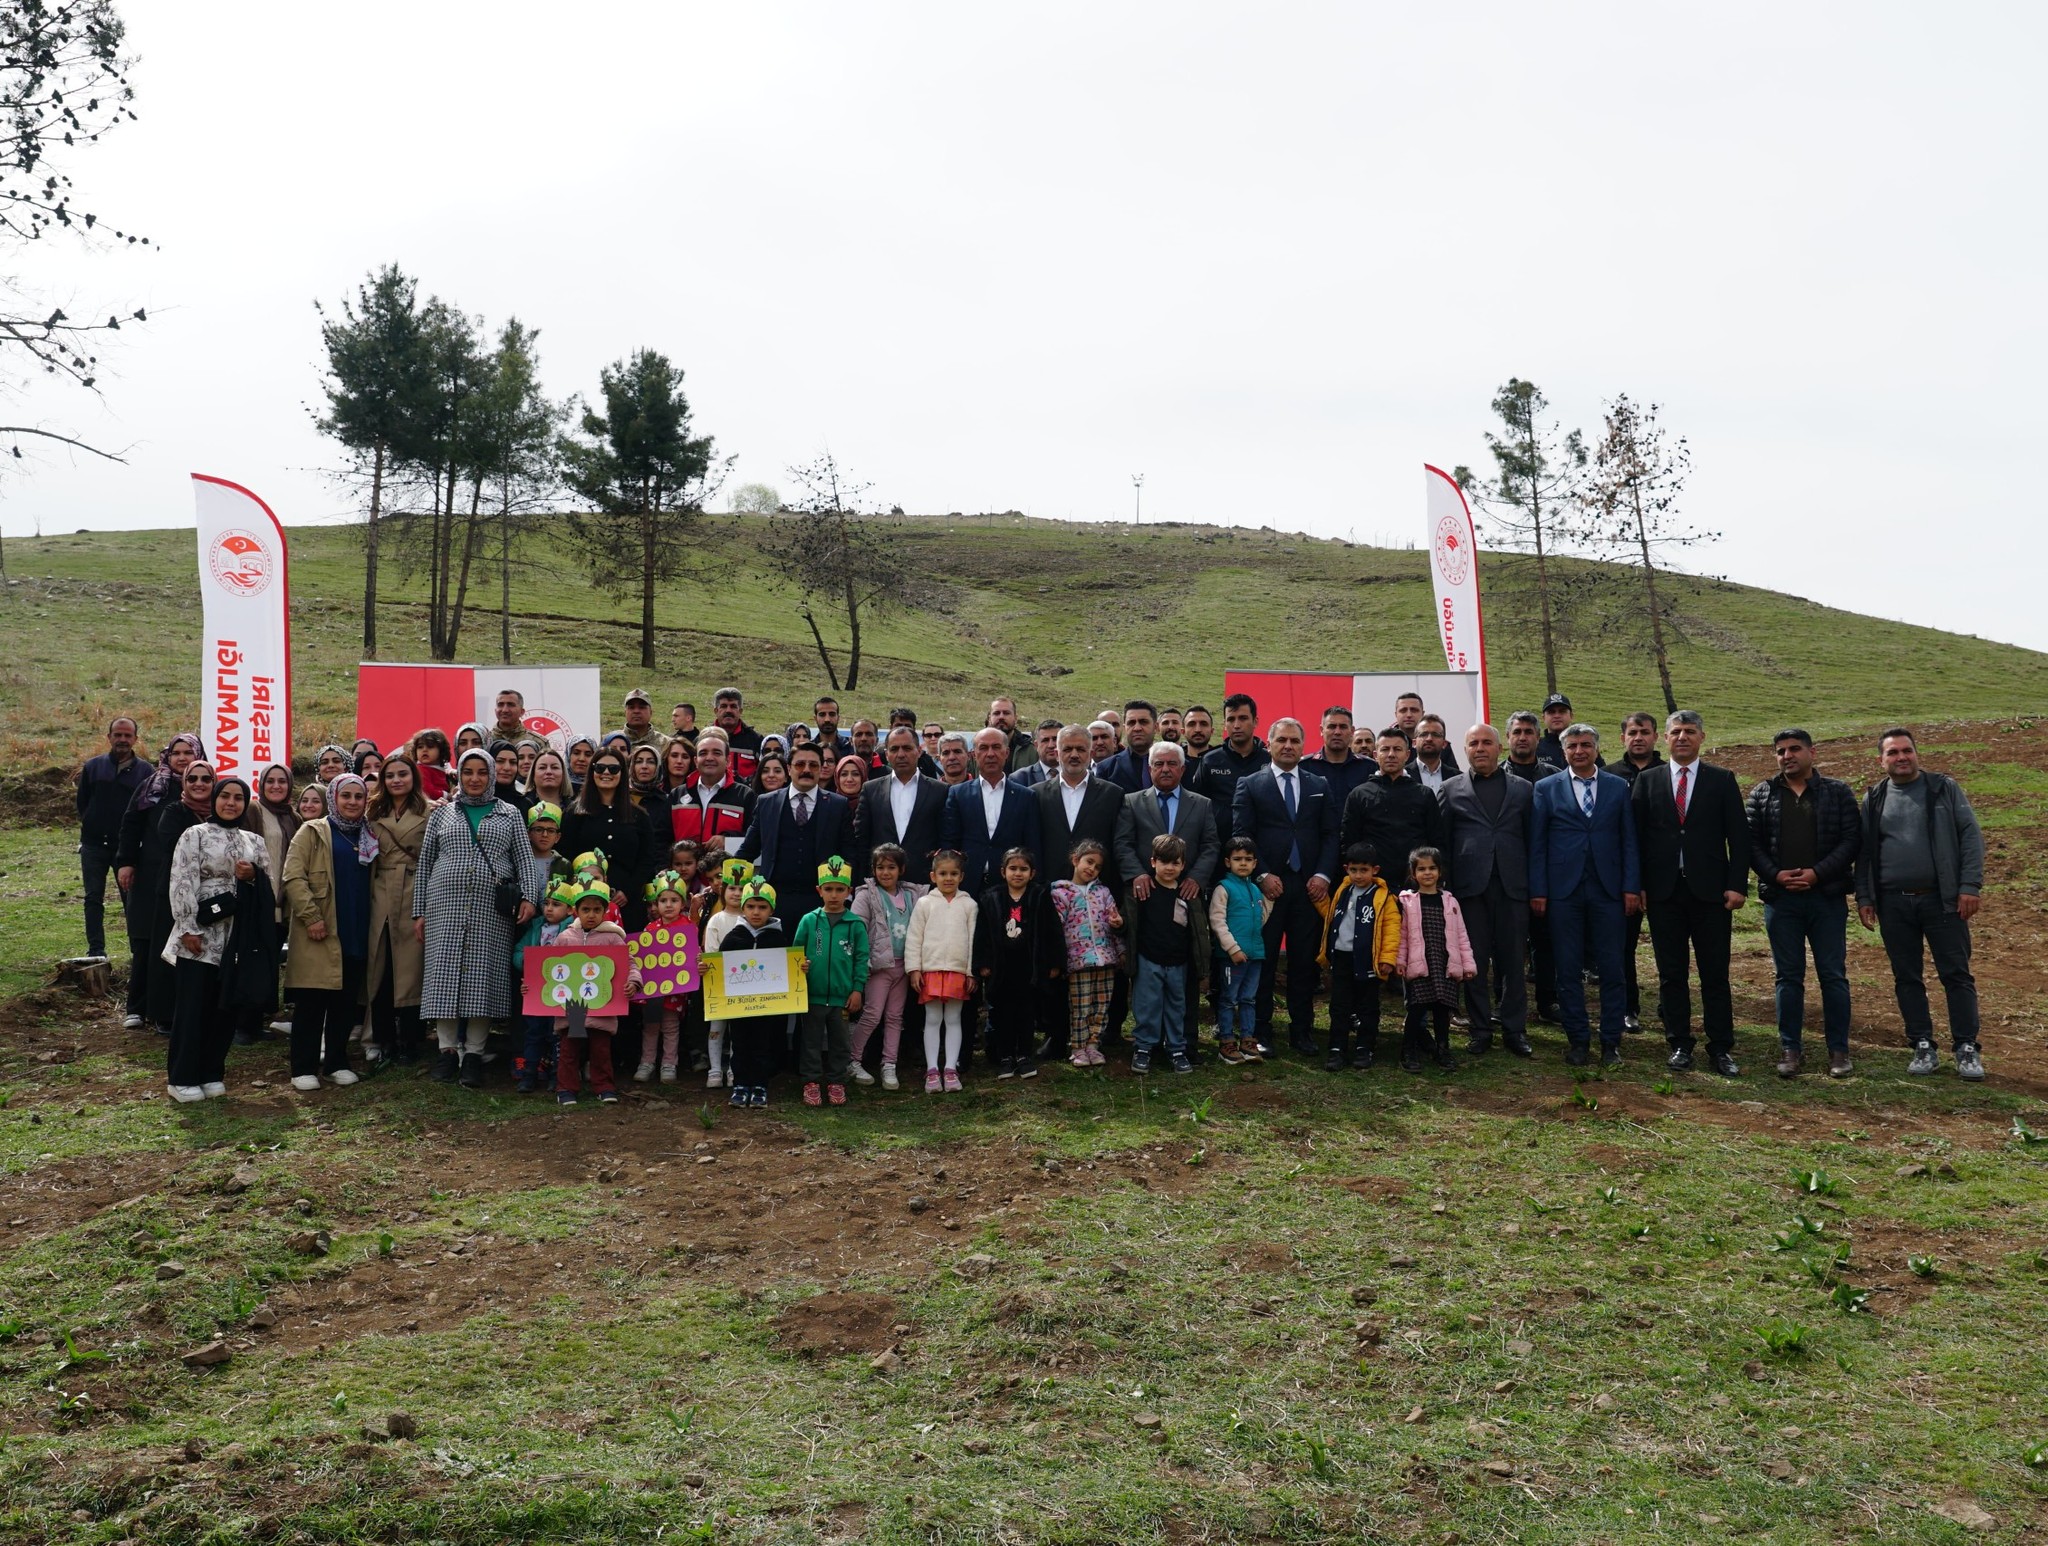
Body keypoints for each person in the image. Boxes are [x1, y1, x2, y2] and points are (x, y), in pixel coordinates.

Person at [1855, 728, 1986, 1080]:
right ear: (1881, 760)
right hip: (1894, 905)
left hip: (1942, 901)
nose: (1901, 757)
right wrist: (1865, 897)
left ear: (1916, 753)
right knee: (1906, 976)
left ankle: (1966, 1047)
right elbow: (1864, 853)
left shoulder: (1944, 788)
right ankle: (1922, 1044)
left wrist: (1969, 886)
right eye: (1893, 753)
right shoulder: (1875, 797)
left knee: (1956, 975)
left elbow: (1970, 837)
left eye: (1907, 751)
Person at [414, 748, 547, 1088]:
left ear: (491, 775)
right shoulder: (443, 814)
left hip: (492, 910)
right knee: (443, 978)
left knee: (481, 979)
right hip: (444, 906)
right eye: (468, 772)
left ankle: (473, 1055)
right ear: (460, 775)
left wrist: (530, 897)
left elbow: (523, 859)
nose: (475, 778)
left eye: (482, 772)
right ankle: (446, 1052)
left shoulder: (509, 813)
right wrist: (419, 912)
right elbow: (426, 863)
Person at [1631, 710, 1750, 1076]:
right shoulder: (1647, 781)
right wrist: (1638, 886)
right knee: (1671, 973)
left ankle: (1720, 1047)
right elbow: (1634, 840)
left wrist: (1736, 884)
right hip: (1664, 893)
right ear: (1665, 739)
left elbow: (1739, 837)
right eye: (1676, 732)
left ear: (1702, 737)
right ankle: (1680, 1042)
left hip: (1711, 893)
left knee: (1715, 973)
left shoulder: (1722, 779)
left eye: (1690, 732)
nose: (1682, 737)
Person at [1746, 729, 1862, 1078]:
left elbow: (1850, 840)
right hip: (1781, 901)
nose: (1787, 756)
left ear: (1812, 752)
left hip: (1826, 898)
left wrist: (1816, 873)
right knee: (1788, 977)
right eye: (1780, 751)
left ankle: (1839, 1050)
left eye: (1794, 749)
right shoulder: (1762, 794)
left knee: (1833, 975)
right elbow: (1751, 845)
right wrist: (1776, 875)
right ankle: (1790, 1049)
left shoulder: (1837, 792)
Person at [1529, 724, 1641, 1068]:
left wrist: (1630, 887)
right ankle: (1578, 1040)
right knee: (1567, 969)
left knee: (1611, 968)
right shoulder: (1546, 788)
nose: (1579, 750)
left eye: (1586, 745)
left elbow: (1628, 841)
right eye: (1573, 745)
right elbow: (1537, 845)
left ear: (1596, 748)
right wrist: (1539, 891)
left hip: (1608, 891)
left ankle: (1611, 1043)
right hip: (1563, 892)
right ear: (1563, 751)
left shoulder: (1617, 786)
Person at [160, 775, 274, 1101]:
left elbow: (266, 882)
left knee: (225, 1008)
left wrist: (253, 877)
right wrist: (187, 927)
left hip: (237, 937)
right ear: (215, 799)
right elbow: (181, 878)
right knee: (193, 1007)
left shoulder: (254, 840)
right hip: (199, 932)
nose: (231, 803)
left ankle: (212, 1071)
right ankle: (181, 1077)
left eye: (238, 798)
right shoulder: (194, 834)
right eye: (225, 796)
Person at [1232, 718, 1338, 1055]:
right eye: (1282, 740)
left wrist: (1322, 875)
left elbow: (1330, 834)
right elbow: (1241, 834)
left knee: (1303, 964)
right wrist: (1262, 874)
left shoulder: (1318, 783)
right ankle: (1261, 1030)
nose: (1288, 746)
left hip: (1309, 890)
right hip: (1266, 890)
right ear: (1270, 743)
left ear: (1304, 744)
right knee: (1261, 963)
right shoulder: (1250, 784)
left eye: (1295, 740)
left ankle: (1302, 1030)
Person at [1436, 725, 1535, 1058]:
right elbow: (1442, 845)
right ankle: (1480, 1030)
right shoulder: (1450, 789)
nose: (1480, 748)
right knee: (1474, 963)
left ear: (1500, 747)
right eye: (1473, 743)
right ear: (1465, 749)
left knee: (1512, 962)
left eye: (1487, 743)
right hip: (1468, 890)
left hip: (1513, 887)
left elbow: (1532, 840)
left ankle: (1514, 1029)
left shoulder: (1523, 789)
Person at [1115, 741, 1219, 1054]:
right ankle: (1147, 1041)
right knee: (1148, 974)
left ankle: (1183, 1043)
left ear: (1183, 768)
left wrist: (1197, 879)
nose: (1165, 769)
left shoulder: (1201, 804)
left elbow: (1212, 845)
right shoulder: (1132, 802)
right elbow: (1122, 844)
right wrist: (1137, 874)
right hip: (1146, 899)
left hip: (1186, 896)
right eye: (1158, 764)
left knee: (1182, 973)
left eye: (1172, 764)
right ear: (1149, 769)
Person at [280, 770, 379, 1093]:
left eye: (359, 796)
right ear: (333, 798)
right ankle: (303, 1066)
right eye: (346, 796)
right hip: (320, 931)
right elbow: (293, 877)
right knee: (312, 1001)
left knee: (344, 1003)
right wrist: (312, 917)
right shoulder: (312, 831)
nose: (352, 802)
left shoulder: (369, 835)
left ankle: (336, 1062)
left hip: (356, 929)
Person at [117, 738, 212, 1035]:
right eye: (177, 753)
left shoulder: (208, 785)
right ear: (167, 756)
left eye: (188, 753)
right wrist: (126, 861)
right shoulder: (152, 787)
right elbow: (131, 824)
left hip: (196, 881)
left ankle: (175, 1010)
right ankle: (138, 1008)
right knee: (148, 941)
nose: (182, 759)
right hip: (152, 874)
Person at [737, 741, 854, 929]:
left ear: (821, 769)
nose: (806, 770)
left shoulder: (838, 805)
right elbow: (748, 850)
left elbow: (849, 853)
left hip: (820, 903)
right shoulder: (767, 802)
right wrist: (727, 884)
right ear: (789, 769)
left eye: (813, 765)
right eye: (800, 764)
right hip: (774, 902)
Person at [1120, 833, 1209, 1075]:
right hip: (1148, 960)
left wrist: (1201, 963)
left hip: (1179, 963)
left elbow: (1199, 932)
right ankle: (1144, 1047)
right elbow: (1129, 923)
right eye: (1164, 862)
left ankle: (1177, 1048)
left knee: (1177, 1006)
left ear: (1183, 865)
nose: (1169, 868)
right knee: (1147, 1005)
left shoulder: (1189, 894)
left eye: (1175, 863)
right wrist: (1119, 923)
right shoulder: (1141, 891)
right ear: (1153, 862)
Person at [973, 846, 1060, 1080]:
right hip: (1001, 968)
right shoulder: (990, 898)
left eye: (1023, 869)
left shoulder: (1040, 896)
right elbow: (981, 933)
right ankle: (1005, 1057)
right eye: (1013, 868)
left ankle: (1024, 1055)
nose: (1018, 873)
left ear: (1032, 873)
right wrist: (982, 962)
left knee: (1025, 1013)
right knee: (1002, 1013)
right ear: (1003, 872)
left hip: (1029, 968)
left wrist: (1053, 962)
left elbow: (1053, 930)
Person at [363, 756, 429, 1065]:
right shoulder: (372, 811)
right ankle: (383, 1037)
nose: (397, 780)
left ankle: (412, 1040)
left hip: (415, 890)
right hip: (380, 892)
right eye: (390, 775)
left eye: (403, 774)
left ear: (414, 777)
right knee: (382, 965)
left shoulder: (430, 812)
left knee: (412, 969)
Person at [793, 856, 868, 1105]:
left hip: (842, 998)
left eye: (839, 889)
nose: (834, 895)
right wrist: (799, 966)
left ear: (849, 891)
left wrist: (857, 990)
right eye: (828, 889)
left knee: (840, 1043)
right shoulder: (808, 920)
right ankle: (811, 1082)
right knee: (811, 1042)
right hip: (812, 996)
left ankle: (837, 1081)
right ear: (819, 890)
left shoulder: (856, 924)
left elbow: (861, 959)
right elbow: (795, 954)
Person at [850, 843, 925, 1090]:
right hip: (878, 967)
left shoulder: (913, 894)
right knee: (872, 1014)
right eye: (880, 867)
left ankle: (889, 1064)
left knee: (895, 1017)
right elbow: (857, 929)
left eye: (891, 867)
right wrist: (864, 961)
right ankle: (853, 1060)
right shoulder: (866, 894)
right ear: (873, 869)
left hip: (903, 966)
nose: (885, 873)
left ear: (901, 869)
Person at [1317, 842, 1398, 1070]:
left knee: (1368, 1006)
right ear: (1346, 869)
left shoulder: (1384, 897)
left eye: (1364, 870)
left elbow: (1392, 929)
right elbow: (1333, 916)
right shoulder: (1343, 890)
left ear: (1375, 870)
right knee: (1339, 1005)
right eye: (1353, 870)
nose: (1358, 875)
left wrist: (1387, 959)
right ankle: (1336, 1049)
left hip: (1368, 960)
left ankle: (1365, 1048)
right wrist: (1319, 902)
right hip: (1341, 957)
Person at [1396, 847, 1477, 1073]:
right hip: (1419, 963)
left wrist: (1468, 963)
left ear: (1440, 871)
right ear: (1413, 874)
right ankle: (1408, 1050)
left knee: (1443, 1009)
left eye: (1432, 868)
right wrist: (1400, 961)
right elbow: (1402, 936)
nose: (1427, 873)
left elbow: (1461, 934)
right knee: (1417, 1008)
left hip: (1445, 963)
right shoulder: (1407, 902)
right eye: (1421, 869)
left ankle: (1443, 1049)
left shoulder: (1450, 901)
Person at [562, 749, 662, 932]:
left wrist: (628, 891)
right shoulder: (575, 813)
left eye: (613, 769)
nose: (606, 773)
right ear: (592, 772)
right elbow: (566, 854)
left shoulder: (639, 815)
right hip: (584, 905)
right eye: (600, 768)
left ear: (622, 774)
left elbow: (647, 859)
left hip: (627, 905)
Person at [553, 882, 634, 1107]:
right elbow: (550, 969)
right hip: (572, 1008)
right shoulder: (565, 938)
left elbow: (629, 964)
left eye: (597, 910)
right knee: (569, 1049)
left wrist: (633, 982)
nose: (591, 915)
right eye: (586, 909)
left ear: (604, 911)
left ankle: (605, 1087)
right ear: (575, 911)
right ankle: (566, 1088)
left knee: (601, 1050)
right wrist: (532, 987)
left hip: (602, 1009)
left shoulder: (613, 939)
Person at [1609, 712, 1665, 1030]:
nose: (1638, 737)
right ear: (1623, 738)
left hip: (1664, 876)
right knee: (1624, 946)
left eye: (1645, 731)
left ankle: (1668, 1005)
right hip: (1622, 878)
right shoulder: (1609, 774)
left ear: (1656, 736)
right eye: (1632, 732)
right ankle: (1628, 1007)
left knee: (1666, 945)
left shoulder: (1669, 772)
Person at [905, 850, 977, 1092]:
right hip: (931, 970)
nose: (948, 878)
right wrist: (914, 969)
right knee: (933, 1019)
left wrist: (970, 972)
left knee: (954, 1019)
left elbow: (973, 941)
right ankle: (932, 1070)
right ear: (933, 876)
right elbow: (914, 938)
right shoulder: (924, 903)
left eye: (953, 874)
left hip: (957, 971)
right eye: (943, 873)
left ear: (962, 876)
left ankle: (951, 1069)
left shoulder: (969, 904)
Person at [939, 729, 1042, 897]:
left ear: (1006, 752)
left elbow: (1032, 845)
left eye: (996, 747)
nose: (990, 754)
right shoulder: (958, 794)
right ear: (974, 753)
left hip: (1011, 887)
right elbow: (949, 842)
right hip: (967, 885)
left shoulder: (1026, 796)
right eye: (983, 748)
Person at [77, 715, 147, 961]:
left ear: (135, 739)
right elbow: (83, 803)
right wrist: (93, 825)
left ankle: (136, 952)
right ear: (109, 737)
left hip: (126, 850)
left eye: (128, 735)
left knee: (132, 901)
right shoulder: (93, 767)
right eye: (118, 735)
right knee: (93, 898)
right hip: (94, 845)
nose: (122, 739)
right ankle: (96, 950)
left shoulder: (146, 772)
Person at [1340, 728, 1445, 883]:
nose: (1391, 755)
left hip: (1416, 885)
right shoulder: (1359, 795)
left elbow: (1437, 842)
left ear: (1407, 755)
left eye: (1397, 749)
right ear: (1375, 755)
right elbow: (1348, 843)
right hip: (1372, 885)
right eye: (1385, 749)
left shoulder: (1424, 794)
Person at [1051, 839, 1122, 1065]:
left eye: (1097, 866)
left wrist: (1120, 945)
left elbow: (1114, 921)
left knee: (1101, 1005)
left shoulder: (1103, 892)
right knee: (1080, 1006)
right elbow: (1055, 929)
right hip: (1078, 961)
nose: (1092, 869)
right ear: (1075, 860)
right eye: (1089, 862)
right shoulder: (1061, 893)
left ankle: (1093, 1045)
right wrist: (1057, 960)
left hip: (1106, 959)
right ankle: (1078, 1048)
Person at [720, 876, 788, 1108]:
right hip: (739, 1007)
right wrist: (706, 967)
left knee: (763, 1043)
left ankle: (760, 1085)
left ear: (771, 908)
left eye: (762, 907)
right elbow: (719, 968)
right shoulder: (733, 937)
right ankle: (740, 1084)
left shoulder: (778, 938)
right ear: (743, 908)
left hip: (766, 1008)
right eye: (750, 906)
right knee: (739, 1043)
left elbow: (786, 968)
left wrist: (800, 966)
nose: (756, 912)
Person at [854, 727, 948, 885]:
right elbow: (861, 840)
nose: (901, 754)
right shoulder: (871, 790)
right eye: (894, 749)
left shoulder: (940, 791)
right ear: (887, 754)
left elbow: (945, 841)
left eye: (907, 748)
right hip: (880, 884)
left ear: (919, 751)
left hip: (925, 885)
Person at [1208, 837, 1272, 1065]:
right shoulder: (1223, 888)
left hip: (1255, 955)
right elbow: (1217, 922)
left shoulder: (1255, 889)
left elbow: (1259, 920)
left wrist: (1269, 901)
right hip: (1231, 957)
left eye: (1248, 859)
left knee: (1249, 999)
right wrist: (1232, 949)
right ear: (1227, 862)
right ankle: (1226, 1042)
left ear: (1255, 863)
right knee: (1228, 1000)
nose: (1243, 863)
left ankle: (1247, 1041)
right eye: (1237, 859)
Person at [1037, 726, 1124, 883]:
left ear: (1090, 754)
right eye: (1067, 749)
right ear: (1057, 754)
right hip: (1047, 889)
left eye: (1081, 749)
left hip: (1096, 891)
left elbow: (1117, 844)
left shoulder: (1113, 794)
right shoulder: (1037, 794)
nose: (1074, 755)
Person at [1193, 692, 1269, 837]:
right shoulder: (1210, 760)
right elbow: (1197, 805)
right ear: (1224, 724)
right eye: (1231, 719)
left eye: (1243, 718)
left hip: (1261, 844)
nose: (1236, 725)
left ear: (1255, 721)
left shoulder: (1269, 760)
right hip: (1219, 844)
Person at [669, 732, 754, 856]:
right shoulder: (676, 795)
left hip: (726, 874)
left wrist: (728, 840)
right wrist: (664, 868)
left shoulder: (745, 796)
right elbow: (662, 838)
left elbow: (755, 839)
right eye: (703, 753)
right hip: (681, 874)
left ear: (728, 760)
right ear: (696, 761)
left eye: (717, 753)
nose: (709, 758)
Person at [1303, 706, 1374, 803]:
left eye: (1343, 727)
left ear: (1352, 731)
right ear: (1321, 730)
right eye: (1332, 727)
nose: (1337, 732)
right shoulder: (1304, 767)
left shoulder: (1369, 767)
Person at [1096, 700, 1159, 792]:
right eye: (1131, 723)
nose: (1137, 728)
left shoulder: (1176, 764)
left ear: (1156, 727)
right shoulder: (1107, 768)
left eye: (1143, 722)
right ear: (1125, 728)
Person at [710, 688, 763, 782]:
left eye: (733, 706)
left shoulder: (755, 740)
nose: (728, 710)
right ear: (716, 710)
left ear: (740, 711)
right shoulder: (704, 739)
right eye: (723, 706)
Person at [1410, 715, 1462, 790]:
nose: (1429, 739)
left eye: (1435, 735)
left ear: (1444, 744)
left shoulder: (1458, 778)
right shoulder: (1403, 775)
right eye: (1424, 734)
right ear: (1414, 743)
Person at [987, 695, 1037, 772]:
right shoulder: (977, 750)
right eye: (996, 713)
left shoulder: (1031, 750)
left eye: (1006, 713)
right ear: (989, 718)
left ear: (1015, 718)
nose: (1001, 717)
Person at [1013, 719, 1062, 788]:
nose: (1051, 745)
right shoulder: (1020, 778)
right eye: (1045, 740)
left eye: (1055, 739)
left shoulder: (1078, 776)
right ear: (1036, 745)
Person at [619, 688, 669, 755]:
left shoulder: (666, 744)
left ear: (650, 712)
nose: (636, 711)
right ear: (625, 712)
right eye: (631, 707)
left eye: (642, 707)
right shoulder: (612, 741)